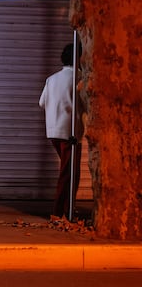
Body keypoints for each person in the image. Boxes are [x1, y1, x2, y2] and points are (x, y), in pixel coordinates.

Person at [39, 43, 84, 219]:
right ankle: (62, 211)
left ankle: (66, 209)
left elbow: (42, 103)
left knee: (67, 171)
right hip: (70, 133)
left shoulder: (52, 79)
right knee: (69, 174)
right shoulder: (79, 78)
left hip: (53, 131)